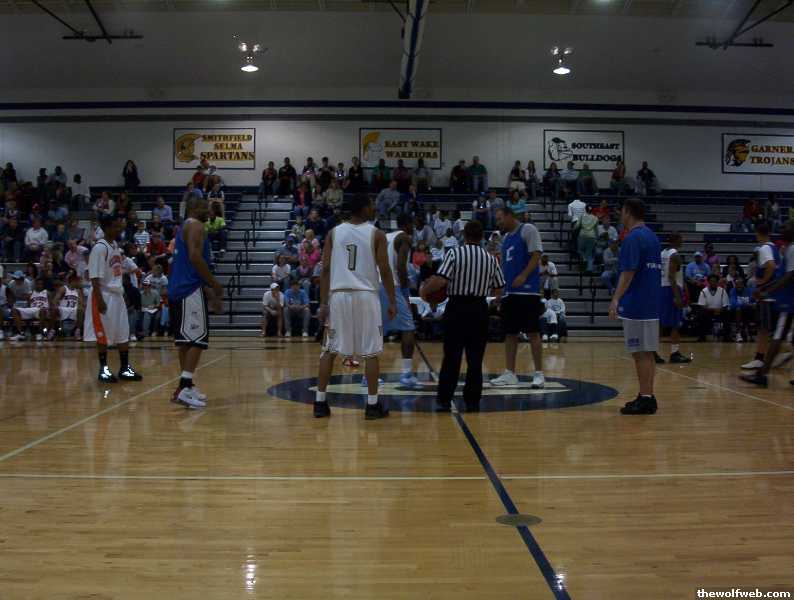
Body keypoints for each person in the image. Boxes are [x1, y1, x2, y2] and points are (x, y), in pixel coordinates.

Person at [313, 194, 396, 420]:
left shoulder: (333, 233)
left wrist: (323, 303)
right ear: (363, 208)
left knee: (328, 350)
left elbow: (325, 269)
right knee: (371, 352)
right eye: (371, 205)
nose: (373, 208)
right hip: (366, 296)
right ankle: (372, 406)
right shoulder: (376, 234)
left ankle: (320, 403)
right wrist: (392, 300)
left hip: (339, 295)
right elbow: (385, 269)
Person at [421, 220, 505, 412]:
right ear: (481, 237)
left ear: (464, 235)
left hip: (457, 308)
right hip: (479, 309)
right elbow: (499, 288)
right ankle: (472, 401)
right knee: (475, 359)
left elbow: (441, 280)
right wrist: (491, 301)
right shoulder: (491, 258)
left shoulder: (455, 253)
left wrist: (425, 291)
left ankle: (444, 400)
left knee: (452, 356)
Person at [167, 196, 224, 408]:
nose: (209, 211)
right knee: (198, 340)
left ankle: (186, 387)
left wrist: (208, 291)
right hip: (189, 290)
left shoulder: (184, 227)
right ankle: (184, 386)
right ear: (193, 208)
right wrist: (214, 284)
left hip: (178, 288)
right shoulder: (196, 225)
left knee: (185, 341)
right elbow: (195, 257)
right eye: (204, 207)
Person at [608, 197, 661, 415]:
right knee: (647, 352)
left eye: (622, 211)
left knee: (640, 352)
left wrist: (615, 299)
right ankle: (647, 395)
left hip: (637, 303)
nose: (620, 215)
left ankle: (646, 398)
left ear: (628, 212)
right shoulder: (652, 236)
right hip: (651, 301)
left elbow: (628, 272)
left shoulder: (633, 237)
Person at [83, 214, 143, 383]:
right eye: (116, 226)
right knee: (103, 334)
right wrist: (99, 300)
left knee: (123, 332)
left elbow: (116, 272)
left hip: (116, 294)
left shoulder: (114, 245)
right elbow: (94, 277)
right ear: (107, 228)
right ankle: (104, 370)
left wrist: (121, 291)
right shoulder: (99, 248)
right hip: (103, 295)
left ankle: (124, 368)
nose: (120, 229)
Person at [490, 206, 545, 389]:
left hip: (528, 292)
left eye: (500, 219)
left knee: (533, 333)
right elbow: (505, 268)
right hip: (509, 293)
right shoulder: (506, 239)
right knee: (510, 333)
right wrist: (500, 292)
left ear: (509, 215)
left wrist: (524, 275)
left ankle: (539, 374)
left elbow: (536, 255)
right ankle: (510, 373)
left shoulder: (527, 229)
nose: (498, 223)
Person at [740, 222, 794, 386]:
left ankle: (762, 375)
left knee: (777, 336)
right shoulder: (784, 249)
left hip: (789, 301)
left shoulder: (790, 249)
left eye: (787, 228)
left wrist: (765, 289)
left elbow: (789, 276)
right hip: (785, 298)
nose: (782, 230)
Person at [380, 214, 420, 389]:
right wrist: (405, 291)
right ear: (407, 224)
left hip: (375, 285)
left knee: (377, 331)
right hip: (392, 285)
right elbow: (401, 267)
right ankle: (406, 373)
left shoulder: (384, 236)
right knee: (408, 328)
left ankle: (368, 376)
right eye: (413, 224)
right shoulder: (404, 238)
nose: (414, 228)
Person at [742, 223, 782, 370]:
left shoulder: (764, 248)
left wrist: (763, 282)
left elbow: (770, 266)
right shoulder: (774, 247)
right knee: (773, 329)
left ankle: (760, 358)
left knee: (763, 329)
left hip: (767, 295)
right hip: (775, 294)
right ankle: (776, 354)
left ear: (758, 233)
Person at [657, 232, 692, 364]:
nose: (682, 241)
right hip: (671, 289)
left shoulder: (662, 253)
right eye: (680, 239)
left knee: (660, 323)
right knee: (675, 323)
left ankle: (653, 351)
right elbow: (672, 276)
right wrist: (677, 296)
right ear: (675, 240)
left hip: (662, 288)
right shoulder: (675, 255)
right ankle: (674, 353)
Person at [10, 277, 53, 341]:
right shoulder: (31, 293)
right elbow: (27, 303)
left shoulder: (47, 292)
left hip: (42, 310)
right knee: (14, 310)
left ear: (43, 285)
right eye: (38, 284)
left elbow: (51, 305)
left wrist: (49, 312)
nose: (39, 285)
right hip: (32, 310)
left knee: (43, 310)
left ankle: (40, 333)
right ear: (35, 285)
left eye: (41, 284)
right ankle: (21, 333)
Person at [695, 274, 730, 342]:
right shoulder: (703, 291)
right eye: (711, 281)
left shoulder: (722, 291)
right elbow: (702, 306)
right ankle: (702, 337)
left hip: (720, 311)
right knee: (700, 314)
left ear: (717, 282)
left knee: (727, 313)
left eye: (715, 281)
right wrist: (714, 310)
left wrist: (720, 310)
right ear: (708, 282)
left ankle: (727, 336)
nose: (713, 283)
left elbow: (726, 305)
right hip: (708, 311)